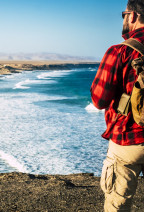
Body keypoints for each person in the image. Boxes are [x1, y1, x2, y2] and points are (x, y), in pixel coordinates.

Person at [90, 0, 144, 211]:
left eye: (124, 14)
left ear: (133, 16)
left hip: (127, 140)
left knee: (117, 204)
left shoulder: (119, 51)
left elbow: (98, 100)